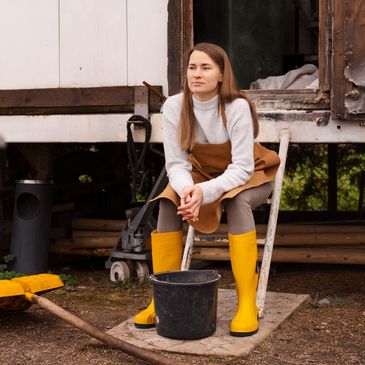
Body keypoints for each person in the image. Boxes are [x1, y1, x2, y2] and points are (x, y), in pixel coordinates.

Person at [134, 43, 280, 336]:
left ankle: (247, 303)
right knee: (166, 201)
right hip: (200, 174)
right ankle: (161, 299)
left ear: (222, 75)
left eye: (205, 68)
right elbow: (176, 164)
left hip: (250, 174)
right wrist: (188, 191)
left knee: (237, 203)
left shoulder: (237, 107)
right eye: (192, 67)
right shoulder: (175, 106)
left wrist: (204, 193)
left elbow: (241, 168)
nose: (196, 74)